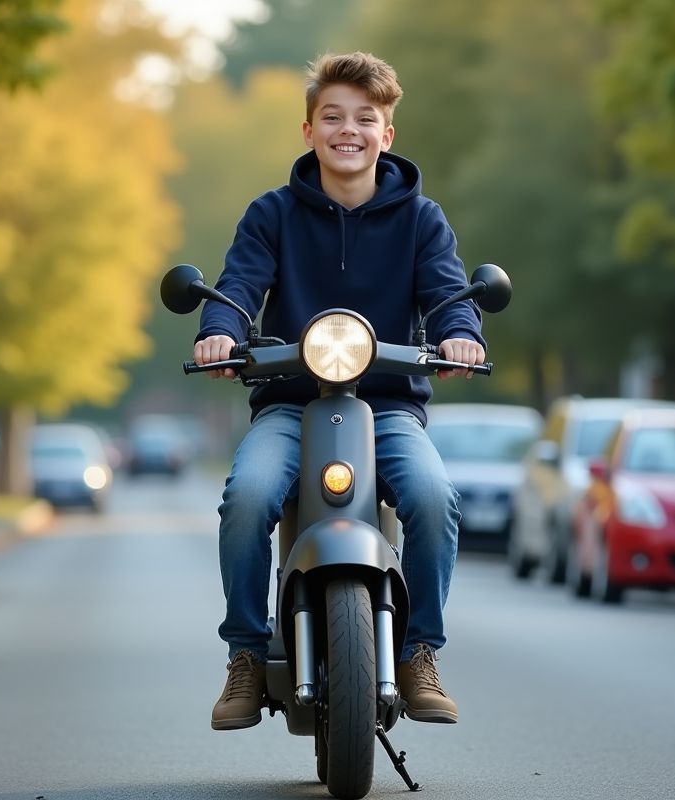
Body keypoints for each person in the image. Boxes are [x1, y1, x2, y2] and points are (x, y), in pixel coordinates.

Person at [195, 51, 486, 732]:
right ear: (307, 130)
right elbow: (238, 288)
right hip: (290, 404)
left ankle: (418, 652)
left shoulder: (422, 219)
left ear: (387, 134)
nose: (347, 129)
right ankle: (243, 652)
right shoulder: (272, 214)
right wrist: (218, 331)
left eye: (366, 118)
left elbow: (448, 295)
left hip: (386, 405)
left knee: (434, 497)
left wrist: (460, 336)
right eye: (332, 117)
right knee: (246, 496)